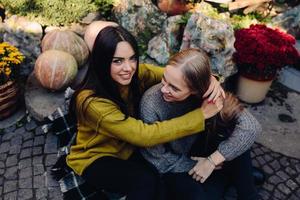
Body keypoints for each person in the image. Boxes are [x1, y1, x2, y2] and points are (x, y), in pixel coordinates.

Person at [66, 26, 225, 200]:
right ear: (102, 61)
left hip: (130, 149)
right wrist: (200, 115)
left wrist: (210, 79)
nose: (128, 67)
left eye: (132, 58)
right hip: (98, 157)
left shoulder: (135, 74)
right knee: (144, 182)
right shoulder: (91, 102)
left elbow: (179, 75)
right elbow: (144, 135)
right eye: (117, 61)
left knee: (161, 185)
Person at [140, 48, 262, 200]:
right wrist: (195, 165)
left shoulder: (208, 92)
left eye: (174, 88)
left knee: (237, 137)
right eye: (164, 79)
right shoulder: (151, 103)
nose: (164, 89)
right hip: (177, 163)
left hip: (206, 149)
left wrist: (212, 161)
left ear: (195, 89)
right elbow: (157, 158)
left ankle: (247, 193)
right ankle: (234, 176)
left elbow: (251, 127)